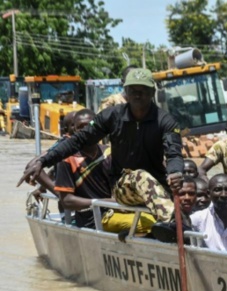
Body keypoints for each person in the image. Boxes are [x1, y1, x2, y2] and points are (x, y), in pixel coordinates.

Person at [18, 68, 184, 225]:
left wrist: (176, 172)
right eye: (133, 90)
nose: (137, 95)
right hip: (123, 187)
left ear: (152, 93)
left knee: (188, 189)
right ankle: (173, 224)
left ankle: (181, 228)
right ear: (126, 93)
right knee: (141, 176)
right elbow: (78, 140)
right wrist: (43, 161)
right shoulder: (112, 115)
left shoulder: (165, 121)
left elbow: (174, 154)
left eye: (143, 90)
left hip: (158, 187)